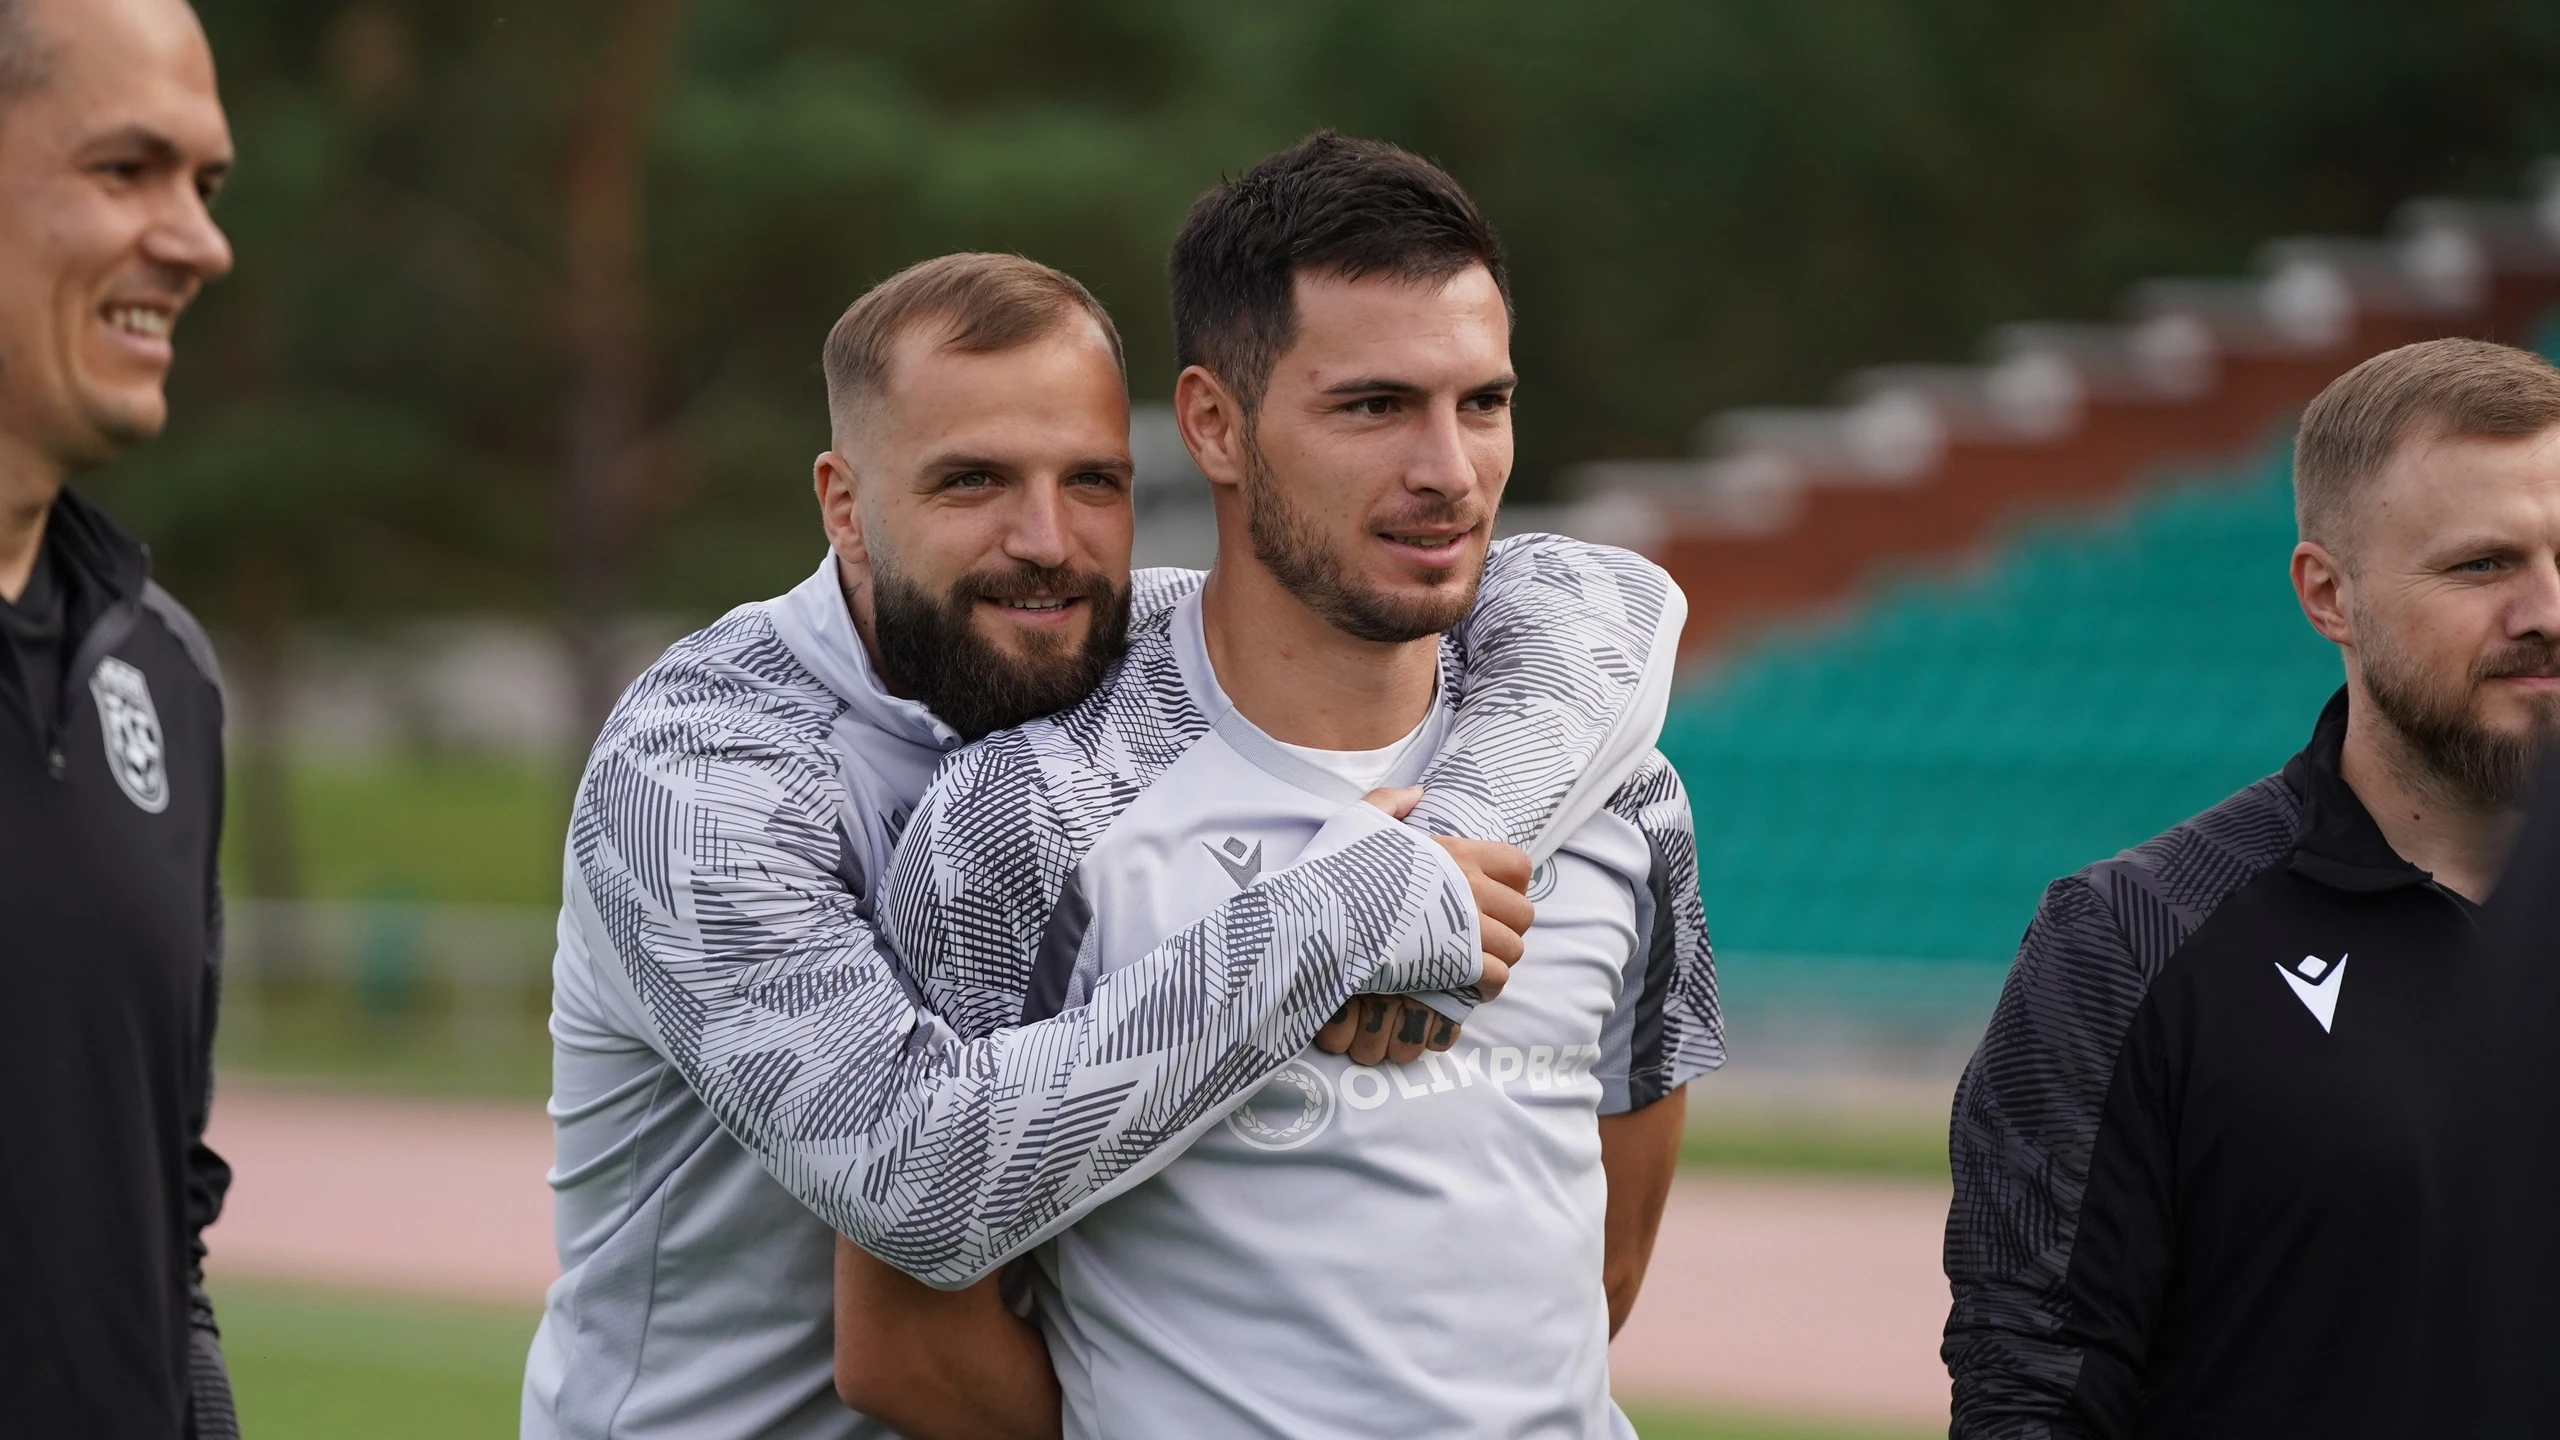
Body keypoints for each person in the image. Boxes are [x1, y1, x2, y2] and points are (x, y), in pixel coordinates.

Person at [525, 248, 1689, 1435]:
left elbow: (1605, 608)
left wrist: (1448, 841)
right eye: (971, 482)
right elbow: (913, 1174)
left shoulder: (1123, 643)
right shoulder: (701, 778)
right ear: (843, 504)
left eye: (1093, 481)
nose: (1047, 539)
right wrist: (1334, 921)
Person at [840, 132, 1723, 1440]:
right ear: (1216, 423)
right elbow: (907, 1344)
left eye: (1482, 402)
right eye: (1373, 407)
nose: (1449, 470)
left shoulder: (1628, 800)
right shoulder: (1016, 824)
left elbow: (1610, 1257)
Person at [1942, 336, 2560, 1437]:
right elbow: (2030, 1392)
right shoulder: (2129, 941)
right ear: (2328, 594)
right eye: (2482, 565)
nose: (2545, 610)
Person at [0, 0, 239, 1436]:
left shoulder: (163, 675)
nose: (200, 242)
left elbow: (166, 1254)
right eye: (126, 169)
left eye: (204, 185)